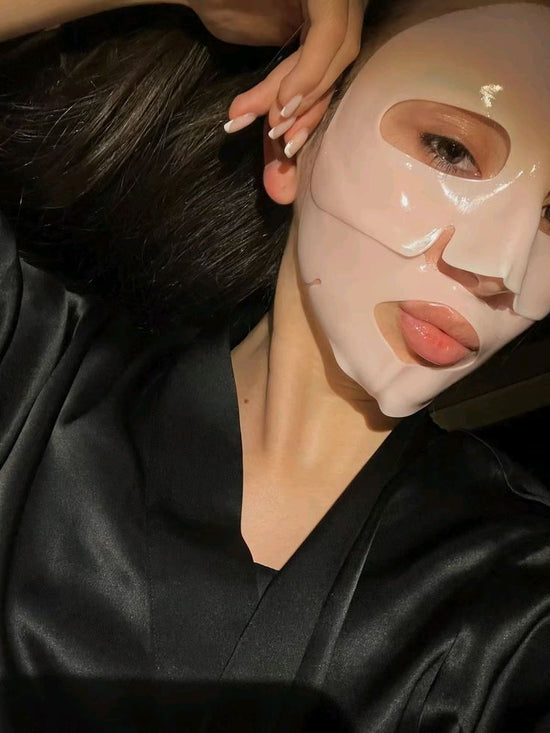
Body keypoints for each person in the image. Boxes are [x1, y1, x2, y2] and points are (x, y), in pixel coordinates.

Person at [0, 1, 549, 731]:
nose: (500, 267)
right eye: (450, 150)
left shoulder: (521, 599)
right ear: (293, 140)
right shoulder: (31, 361)